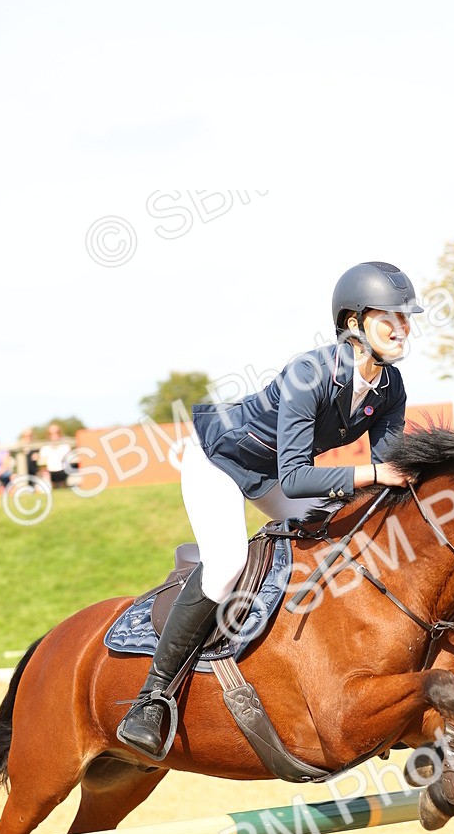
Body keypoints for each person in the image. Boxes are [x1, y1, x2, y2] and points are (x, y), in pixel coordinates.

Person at [118, 260, 423, 757]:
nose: (402, 327)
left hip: (270, 474)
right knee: (227, 564)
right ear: (353, 323)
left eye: (407, 317)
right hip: (217, 459)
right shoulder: (310, 373)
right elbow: (303, 475)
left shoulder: (390, 388)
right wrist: (366, 476)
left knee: (332, 532)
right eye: (389, 315)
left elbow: (387, 476)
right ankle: (151, 698)